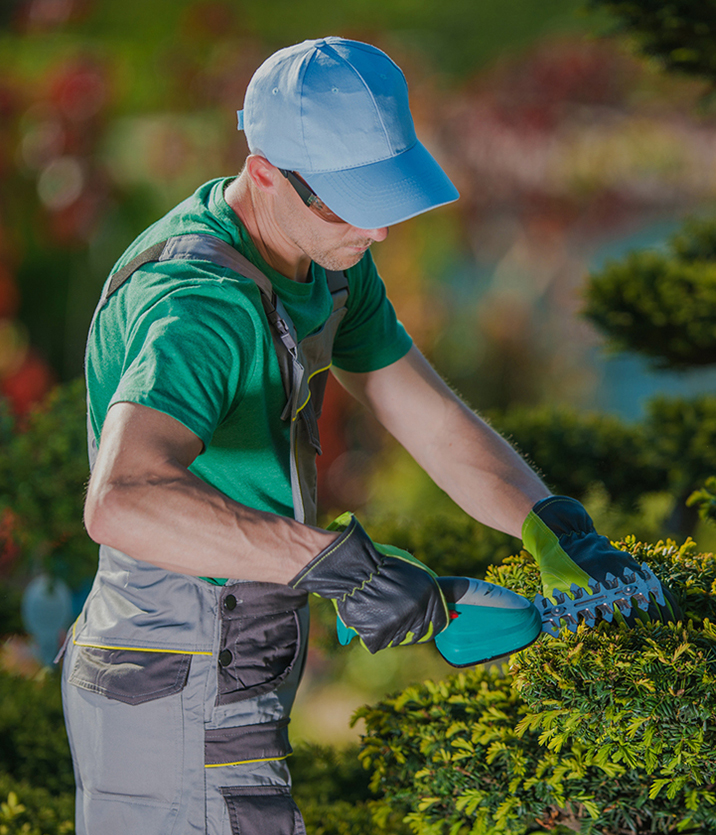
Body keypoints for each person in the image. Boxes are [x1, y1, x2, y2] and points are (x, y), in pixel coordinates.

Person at [60, 37, 677, 835]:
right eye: (347, 201)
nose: (376, 230)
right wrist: (338, 567)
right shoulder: (199, 310)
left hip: (241, 637)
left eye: (381, 196)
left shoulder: (328, 258)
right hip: (172, 662)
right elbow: (123, 501)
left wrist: (548, 523)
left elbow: (425, 413)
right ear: (265, 177)